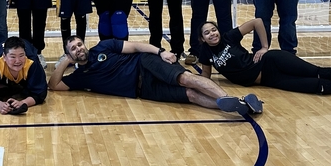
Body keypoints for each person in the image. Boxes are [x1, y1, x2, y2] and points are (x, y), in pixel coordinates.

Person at [49, 36, 260, 115]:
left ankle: (228, 98)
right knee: (190, 95)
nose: (79, 49)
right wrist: (66, 61)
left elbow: (135, 46)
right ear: (70, 54)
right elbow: (54, 85)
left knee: (185, 78)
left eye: (79, 44)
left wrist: (161, 52)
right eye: (73, 49)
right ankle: (240, 106)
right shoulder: (80, 76)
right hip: (143, 90)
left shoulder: (103, 47)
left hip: (146, 64)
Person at [198, 18, 331, 96]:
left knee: (317, 72)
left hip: (270, 61)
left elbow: (257, 22)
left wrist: (264, 46)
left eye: (214, 30)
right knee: (319, 88)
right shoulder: (206, 54)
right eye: (207, 33)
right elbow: (205, 78)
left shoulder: (229, 37)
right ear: (202, 39)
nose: (212, 34)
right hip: (269, 80)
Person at [0, 36, 48, 114]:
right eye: (13, 57)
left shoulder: (32, 62)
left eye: (21, 55)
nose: (18, 61)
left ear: (25, 54)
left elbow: (41, 94)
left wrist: (23, 102)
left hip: (25, 78)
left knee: (27, 90)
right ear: (4, 57)